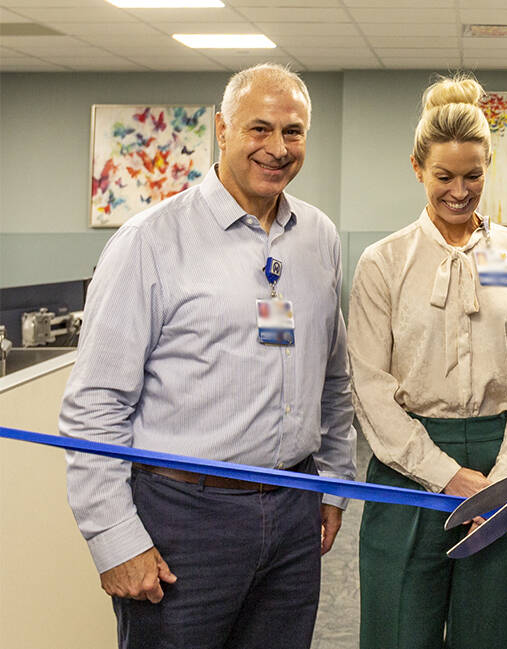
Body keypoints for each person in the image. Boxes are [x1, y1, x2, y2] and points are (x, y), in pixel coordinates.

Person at [59, 63, 356, 648]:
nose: (277, 148)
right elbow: (94, 406)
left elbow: (333, 378)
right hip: (183, 519)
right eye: (259, 129)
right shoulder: (151, 241)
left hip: (294, 513)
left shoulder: (318, 237)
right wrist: (114, 537)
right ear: (222, 130)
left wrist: (332, 485)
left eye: (292, 132)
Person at [348, 73, 507, 649]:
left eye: (473, 176)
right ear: (417, 167)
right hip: (408, 468)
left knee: (487, 635)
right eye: (444, 176)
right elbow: (369, 387)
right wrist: (446, 476)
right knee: (398, 632)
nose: (459, 191)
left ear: (488, 168)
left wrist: (502, 481)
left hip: (501, 468)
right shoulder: (383, 263)